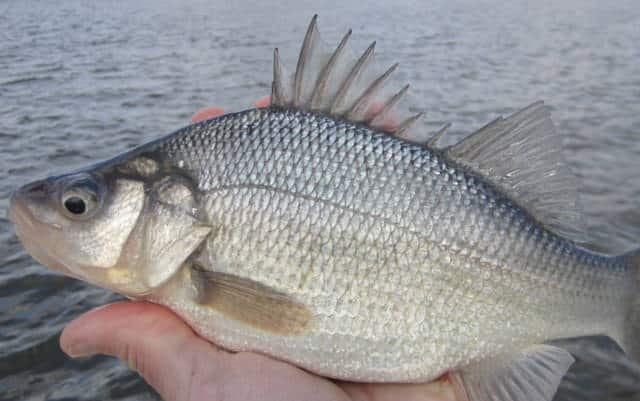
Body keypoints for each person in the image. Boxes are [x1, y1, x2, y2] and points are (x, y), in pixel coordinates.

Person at [60, 100, 459, 401]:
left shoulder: (192, 277)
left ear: (171, 200)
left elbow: (288, 317)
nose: (65, 216)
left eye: (78, 205)